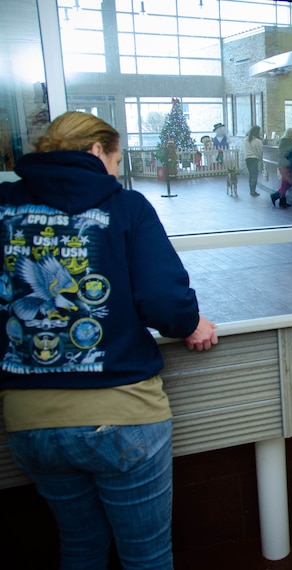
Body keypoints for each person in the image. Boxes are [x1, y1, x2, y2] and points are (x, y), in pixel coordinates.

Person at [0, 111, 219, 568]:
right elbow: (166, 302)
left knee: (80, 548)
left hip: (29, 417)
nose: (116, 174)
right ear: (98, 152)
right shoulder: (125, 206)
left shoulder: (4, 206)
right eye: (116, 161)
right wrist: (188, 322)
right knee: (147, 556)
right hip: (122, 413)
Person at [271, 127, 292, 208]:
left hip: (282, 164)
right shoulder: (290, 142)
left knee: (284, 183)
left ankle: (282, 201)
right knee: (288, 183)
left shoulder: (283, 140)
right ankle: (275, 196)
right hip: (286, 165)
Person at [243, 125, 263, 197]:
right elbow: (259, 151)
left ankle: (251, 190)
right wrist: (261, 159)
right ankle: (253, 191)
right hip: (254, 159)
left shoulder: (246, 139)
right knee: (254, 175)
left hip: (247, 158)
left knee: (251, 175)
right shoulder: (257, 141)